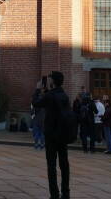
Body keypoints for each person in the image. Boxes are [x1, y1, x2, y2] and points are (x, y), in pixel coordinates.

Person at [32, 71, 70, 199]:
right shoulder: (64, 95)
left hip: (51, 135)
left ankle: (54, 194)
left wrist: (37, 90)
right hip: (63, 134)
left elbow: (35, 103)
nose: (48, 81)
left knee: (51, 165)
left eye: (50, 79)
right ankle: (66, 193)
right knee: (64, 165)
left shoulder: (49, 96)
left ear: (53, 81)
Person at [31, 81, 46, 150]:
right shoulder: (45, 97)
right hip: (43, 117)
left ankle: (36, 144)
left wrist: (32, 116)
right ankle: (42, 144)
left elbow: (32, 106)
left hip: (37, 116)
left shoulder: (36, 97)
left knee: (37, 131)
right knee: (42, 131)